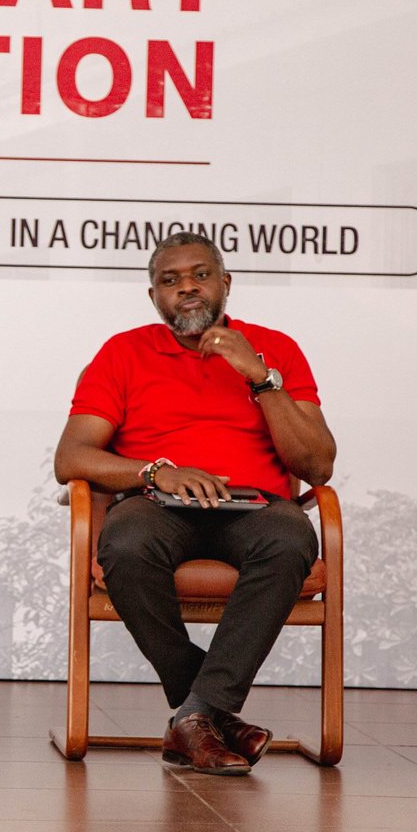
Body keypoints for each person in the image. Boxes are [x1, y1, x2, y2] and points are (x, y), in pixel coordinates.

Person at [53, 232, 336, 776]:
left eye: (200, 275)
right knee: (127, 540)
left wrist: (260, 378)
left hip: (256, 507)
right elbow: (72, 457)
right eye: (170, 280)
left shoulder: (274, 349)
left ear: (225, 284)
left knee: (290, 538)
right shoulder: (124, 352)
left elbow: (317, 466)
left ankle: (195, 716)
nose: (187, 288)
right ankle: (208, 713)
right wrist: (155, 469)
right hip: (156, 504)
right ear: (154, 296)